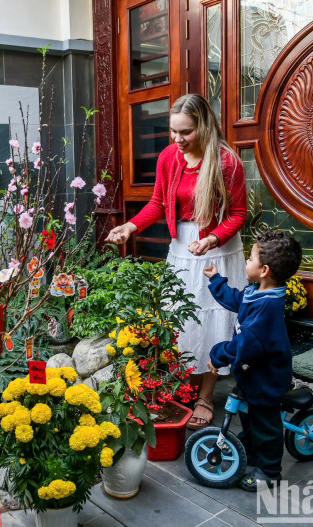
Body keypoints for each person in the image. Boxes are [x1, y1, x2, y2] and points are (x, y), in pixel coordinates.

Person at [105, 93, 247, 430]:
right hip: (182, 246)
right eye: (173, 131)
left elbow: (238, 213)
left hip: (217, 247)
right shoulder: (169, 156)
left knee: (214, 320)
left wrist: (212, 238)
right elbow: (157, 202)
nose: (177, 139)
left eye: (185, 132)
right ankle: (187, 384)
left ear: (204, 126)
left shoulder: (227, 162)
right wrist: (130, 226)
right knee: (182, 318)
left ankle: (205, 395)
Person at [205, 230, 303, 491]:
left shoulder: (268, 309)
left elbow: (244, 345)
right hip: (252, 373)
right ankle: (250, 447)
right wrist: (216, 280)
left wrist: (218, 354)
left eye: (250, 259)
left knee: (265, 425)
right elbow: (238, 300)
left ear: (264, 270)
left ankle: (269, 472)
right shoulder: (258, 292)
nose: (246, 262)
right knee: (249, 416)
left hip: (266, 379)